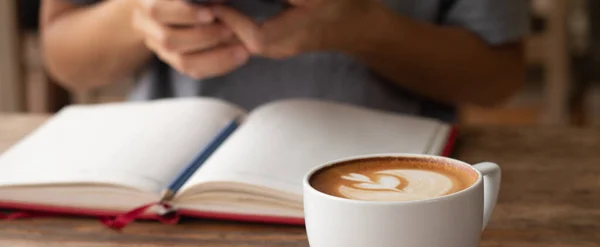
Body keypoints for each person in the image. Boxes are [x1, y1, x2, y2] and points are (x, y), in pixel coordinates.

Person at [41, 0, 529, 122]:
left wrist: (366, 28)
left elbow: (498, 75)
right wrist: (139, 15)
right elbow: (62, 53)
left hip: (397, 198)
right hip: (170, 194)